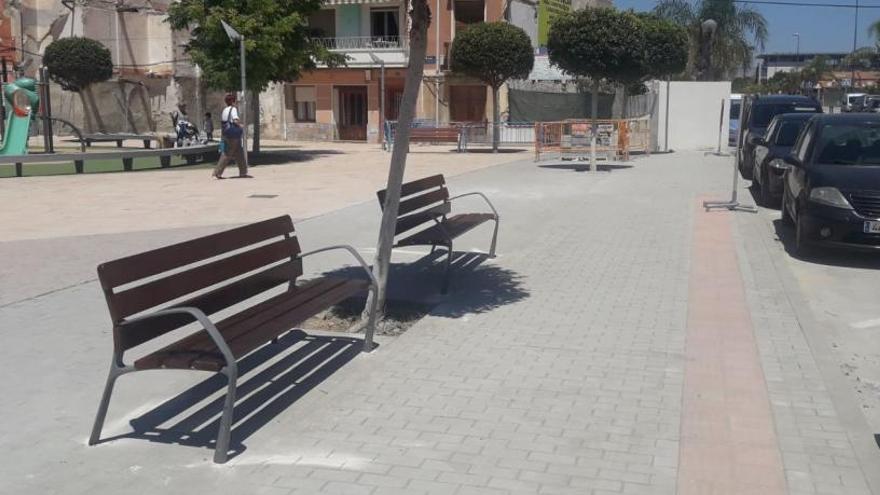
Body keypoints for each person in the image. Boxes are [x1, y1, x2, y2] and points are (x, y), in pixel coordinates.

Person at [213, 93, 250, 179]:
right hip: (233, 135)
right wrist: (241, 125)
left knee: (239, 152)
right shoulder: (233, 109)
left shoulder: (224, 110)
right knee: (227, 153)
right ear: (233, 101)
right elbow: (235, 120)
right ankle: (218, 172)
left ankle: (243, 171)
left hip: (226, 134)